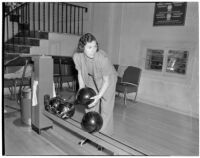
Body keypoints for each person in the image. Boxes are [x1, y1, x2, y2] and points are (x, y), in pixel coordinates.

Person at [73, 33, 117, 147]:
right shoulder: (77, 57)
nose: (93, 50)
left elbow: (106, 81)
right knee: (90, 104)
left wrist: (99, 96)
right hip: (91, 76)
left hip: (108, 78)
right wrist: (82, 90)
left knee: (106, 107)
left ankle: (103, 137)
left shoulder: (102, 59)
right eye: (89, 47)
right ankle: (90, 133)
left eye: (95, 46)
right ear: (82, 47)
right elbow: (80, 74)